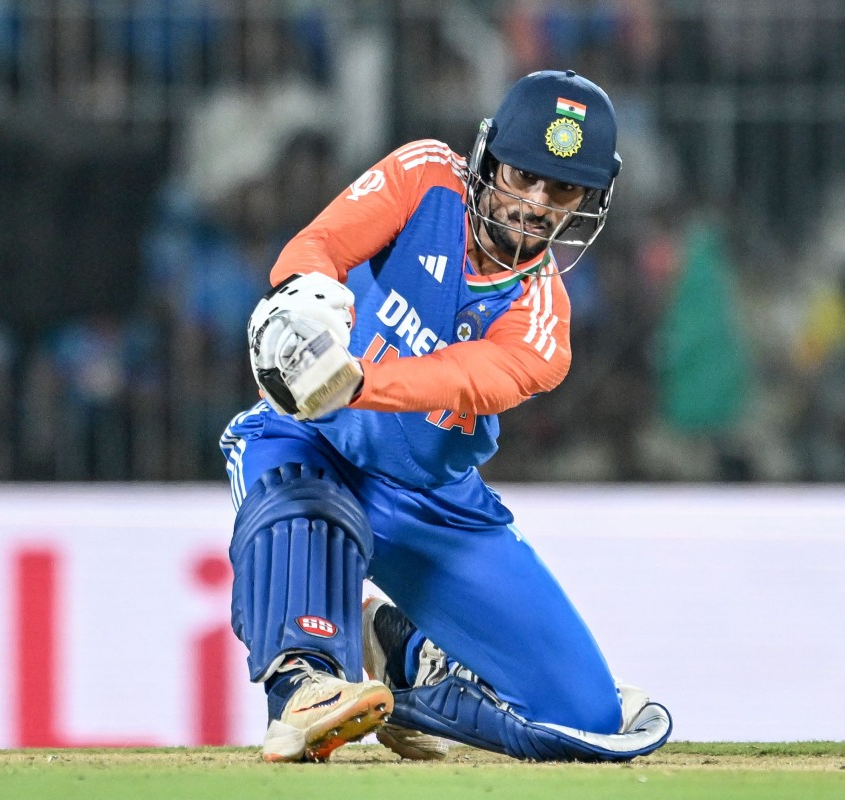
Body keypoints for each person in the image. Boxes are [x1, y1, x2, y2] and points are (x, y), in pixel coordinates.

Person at [220, 69, 672, 763]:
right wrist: (304, 302)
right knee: (297, 501)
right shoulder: (427, 175)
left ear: (588, 200)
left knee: (588, 718)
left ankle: (407, 670)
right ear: (490, 159)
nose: (536, 203)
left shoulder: (544, 325)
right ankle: (306, 685)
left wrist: (350, 380)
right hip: (310, 443)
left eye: (562, 190)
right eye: (523, 175)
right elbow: (317, 247)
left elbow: (459, 379)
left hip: (434, 503)